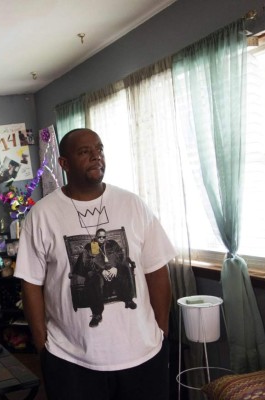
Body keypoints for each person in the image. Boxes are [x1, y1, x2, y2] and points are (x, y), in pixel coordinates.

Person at [14, 128, 176, 400]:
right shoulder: (42, 215)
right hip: (72, 360)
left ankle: (127, 299)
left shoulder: (132, 205)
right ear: (64, 163)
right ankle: (97, 312)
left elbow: (157, 269)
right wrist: (43, 346)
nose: (96, 157)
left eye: (99, 149)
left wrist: (161, 329)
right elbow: (30, 284)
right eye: (84, 152)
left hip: (143, 355)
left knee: (122, 274)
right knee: (92, 282)